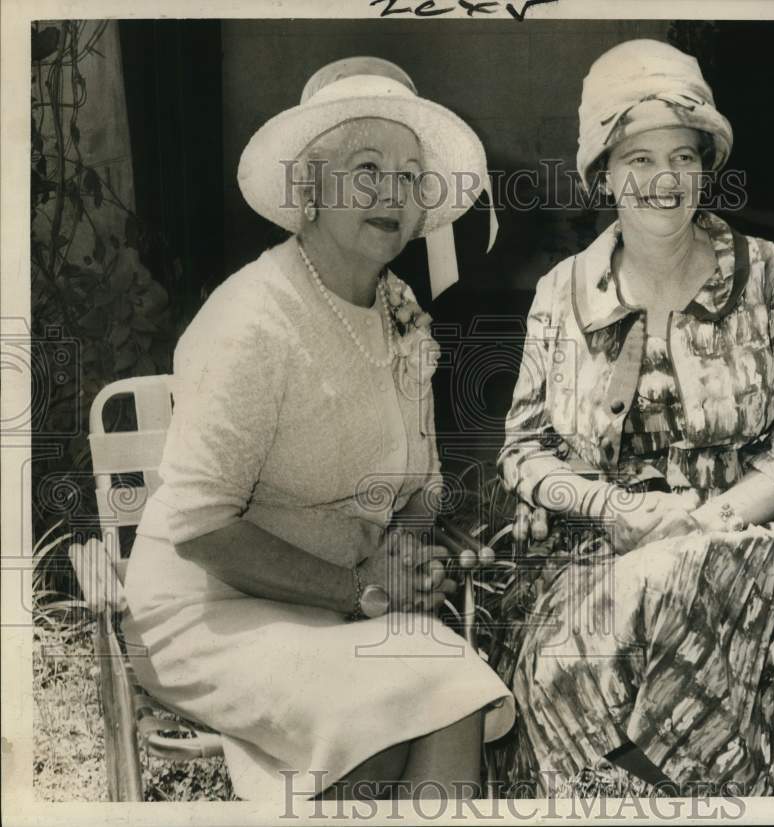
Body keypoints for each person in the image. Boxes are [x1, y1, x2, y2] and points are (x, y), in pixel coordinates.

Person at [498, 39, 774, 795]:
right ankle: (702, 785)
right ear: (603, 174)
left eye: (682, 155)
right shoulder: (561, 292)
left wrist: (715, 518)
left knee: (680, 574)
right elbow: (524, 452)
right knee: (616, 617)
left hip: (757, 540)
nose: (664, 179)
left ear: (706, 166)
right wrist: (614, 506)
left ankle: (657, 788)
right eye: (637, 159)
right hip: (601, 549)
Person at [122, 57, 514, 803]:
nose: (391, 194)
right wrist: (361, 588)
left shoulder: (399, 314)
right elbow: (200, 528)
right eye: (367, 168)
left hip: (329, 607)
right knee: (406, 705)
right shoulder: (254, 319)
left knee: (443, 685)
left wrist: (412, 556)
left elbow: (417, 490)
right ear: (309, 189)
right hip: (206, 613)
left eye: (408, 177)